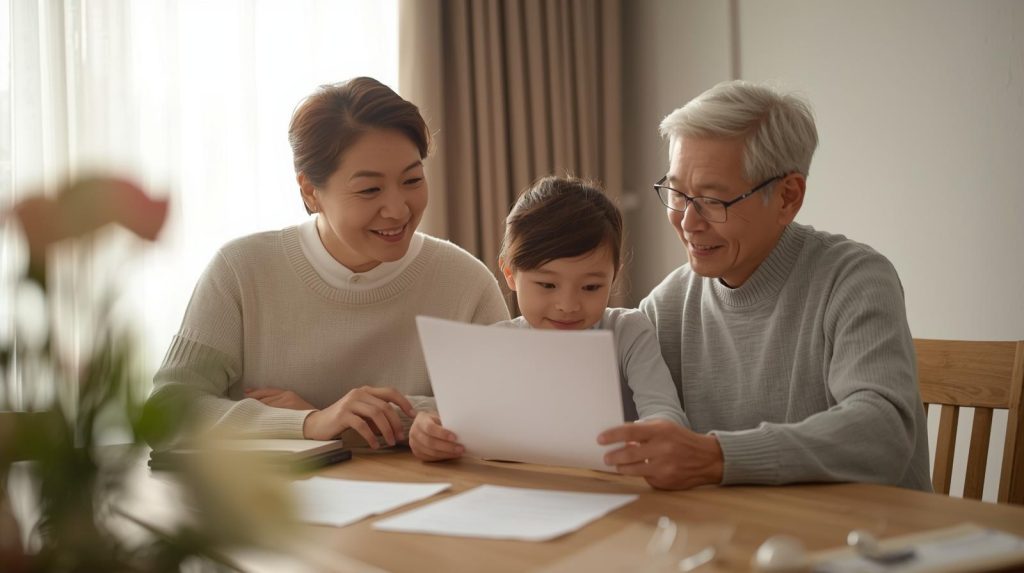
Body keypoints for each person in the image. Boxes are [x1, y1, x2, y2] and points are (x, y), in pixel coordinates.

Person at [597, 80, 931, 491]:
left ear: (788, 197)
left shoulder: (855, 280)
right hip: (735, 539)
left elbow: (883, 434)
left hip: (869, 543)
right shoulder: (668, 306)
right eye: (678, 193)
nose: (687, 222)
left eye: (712, 200)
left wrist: (718, 458)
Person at [146, 77, 510, 449]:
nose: (398, 209)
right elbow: (165, 414)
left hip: (432, 498)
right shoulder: (241, 270)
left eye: (412, 180)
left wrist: (340, 418)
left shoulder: (465, 281)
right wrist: (311, 422)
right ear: (310, 191)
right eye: (370, 189)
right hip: (275, 504)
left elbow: (512, 413)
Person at [410, 176, 687, 462]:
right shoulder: (496, 343)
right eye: (547, 285)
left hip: (615, 488)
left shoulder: (629, 332)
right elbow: (459, 423)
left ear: (613, 277)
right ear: (509, 273)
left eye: (591, 287)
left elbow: (668, 420)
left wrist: (634, 440)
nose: (568, 306)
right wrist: (431, 433)